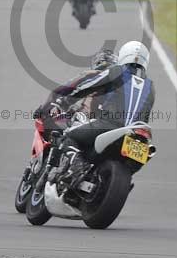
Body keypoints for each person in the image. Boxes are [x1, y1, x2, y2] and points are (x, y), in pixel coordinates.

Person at [55, 41, 155, 184]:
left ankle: (77, 169)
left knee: (69, 137)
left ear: (123, 56)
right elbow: (145, 116)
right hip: (137, 134)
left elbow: (89, 85)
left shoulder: (116, 71)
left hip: (109, 124)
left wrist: (64, 101)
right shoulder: (151, 87)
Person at [32, 49, 118, 132]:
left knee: (55, 128)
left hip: (91, 123)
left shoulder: (93, 75)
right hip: (119, 126)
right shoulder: (125, 82)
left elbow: (62, 90)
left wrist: (43, 109)